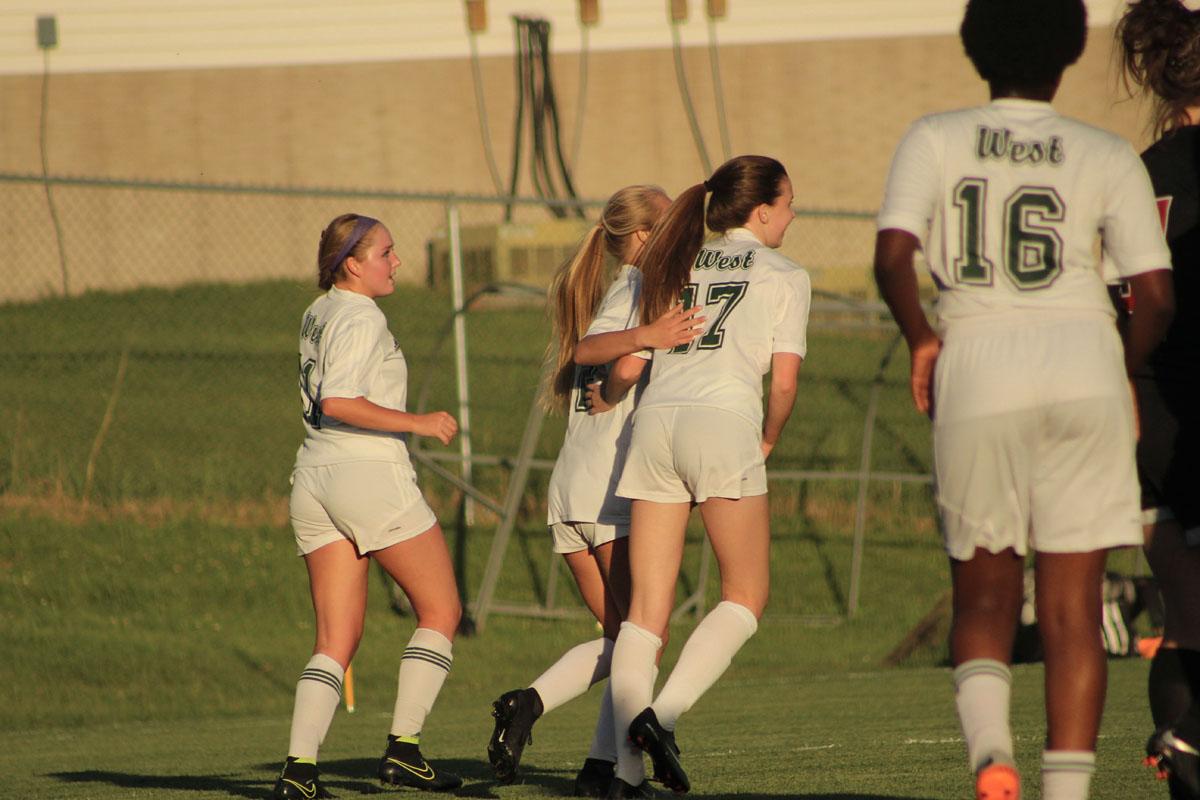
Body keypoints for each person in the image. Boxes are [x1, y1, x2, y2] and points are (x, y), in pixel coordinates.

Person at [873, 1, 1175, 799]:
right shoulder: (1106, 151)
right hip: (1084, 366)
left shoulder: (933, 136)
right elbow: (1155, 292)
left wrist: (921, 338)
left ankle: (992, 755)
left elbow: (893, 255)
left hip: (979, 360)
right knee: (1075, 608)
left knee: (985, 592)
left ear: (976, 46)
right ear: (1072, 48)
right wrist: (1122, 367)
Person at [486, 185, 703, 797]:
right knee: (642, 636)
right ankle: (597, 759)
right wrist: (650, 337)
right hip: (609, 493)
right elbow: (591, 351)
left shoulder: (633, 289)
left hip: (575, 493)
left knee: (621, 640)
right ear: (640, 237)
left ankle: (568, 744)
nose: (683, 229)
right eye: (668, 221)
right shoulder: (636, 286)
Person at [605, 155, 811, 798]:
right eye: (788, 202)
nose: (793, 213)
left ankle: (623, 770)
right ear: (760, 211)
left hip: (657, 425)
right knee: (746, 595)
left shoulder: (673, 262)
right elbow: (782, 381)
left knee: (644, 610)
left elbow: (631, 360)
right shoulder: (785, 273)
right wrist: (769, 436)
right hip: (723, 423)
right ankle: (658, 720)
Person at [273, 213, 464, 798]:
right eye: (385, 252)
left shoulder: (321, 309)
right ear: (352, 264)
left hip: (314, 478)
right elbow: (339, 399)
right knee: (442, 610)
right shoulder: (359, 314)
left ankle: (299, 771)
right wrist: (419, 422)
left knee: (336, 638)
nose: (396, 261)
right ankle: (404, 749)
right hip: (365, 474)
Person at [1116, 2, 1200, 796]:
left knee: (1183, 617)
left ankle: (1180, 749)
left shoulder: (1134, 174)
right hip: (1188, 400)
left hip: (1143, 414)